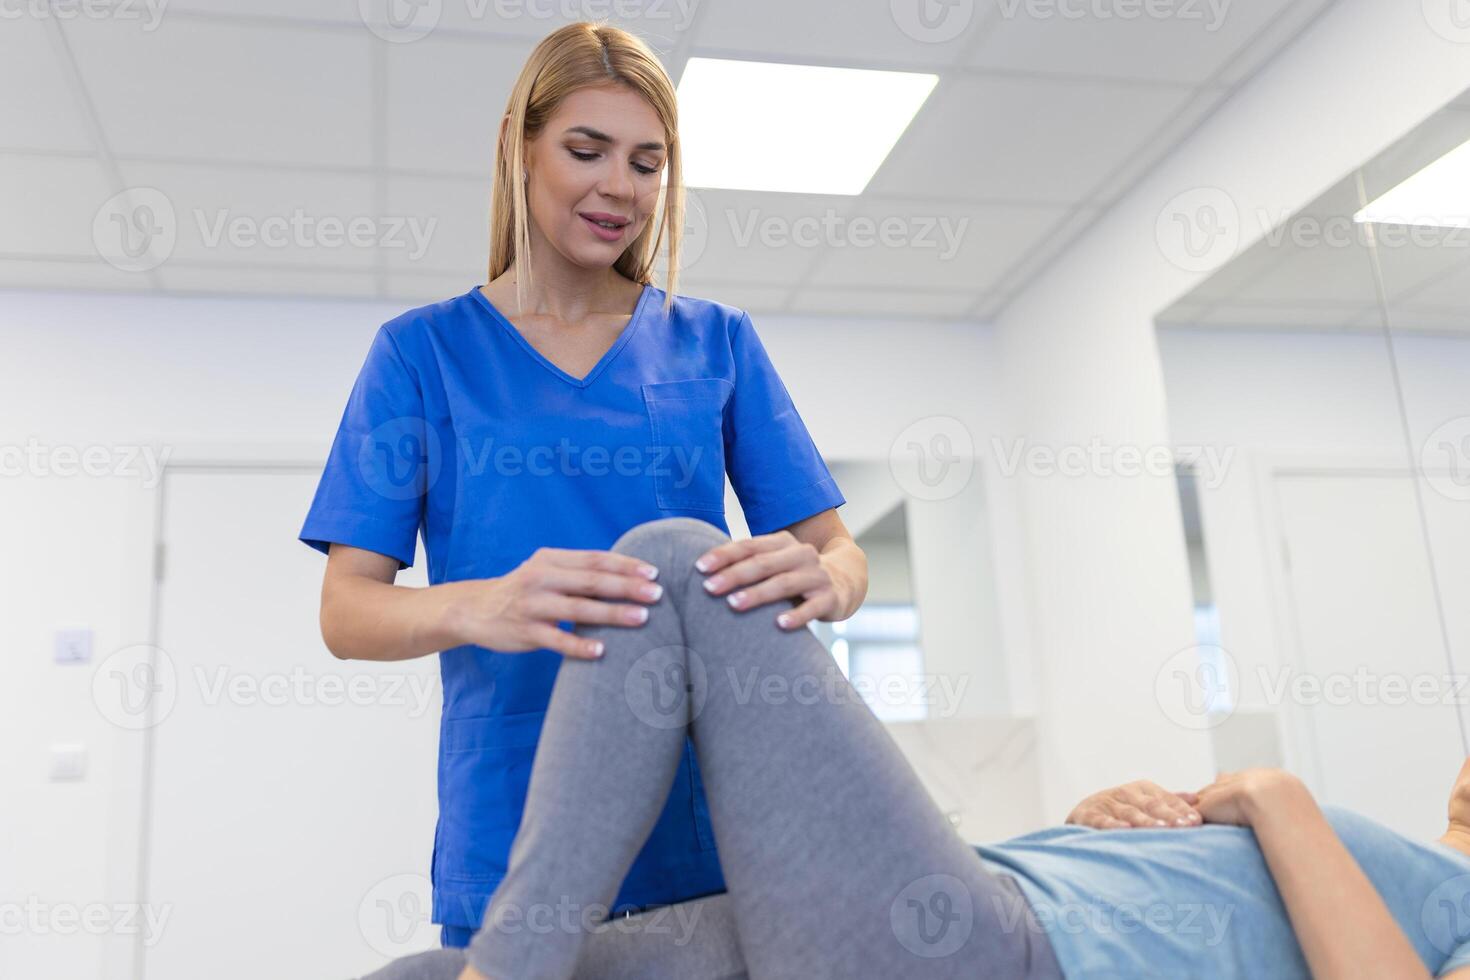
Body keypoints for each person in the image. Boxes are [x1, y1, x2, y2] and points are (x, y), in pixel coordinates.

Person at [298, 21, 867, 950]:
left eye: (648, 163)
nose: (620, 187)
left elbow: (835, 550)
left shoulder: (714, 341)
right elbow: (346, 612)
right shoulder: (421, 354)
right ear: (520, 149)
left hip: (707, 821)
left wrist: (833, 582)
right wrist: (485, 604)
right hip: (511, 824)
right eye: (586, 149)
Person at [350, 518, 1470, 980]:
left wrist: (1276, 798)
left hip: (995, 955)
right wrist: (1107, 819)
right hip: (981, 897)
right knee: (417, 973)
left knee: (679, 564)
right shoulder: (1398, 856)